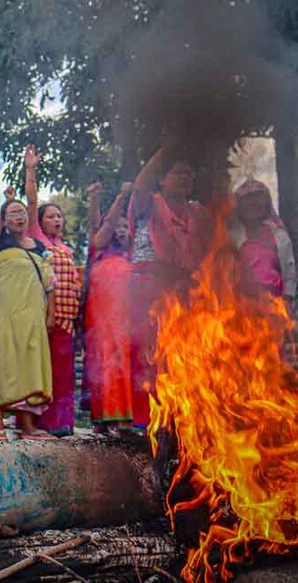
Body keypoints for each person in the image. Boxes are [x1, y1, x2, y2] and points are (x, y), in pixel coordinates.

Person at [127, 143, 210, 428]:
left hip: (184, 289)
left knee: (183, 354)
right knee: (148, 354)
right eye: (178, 172)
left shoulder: (198, 211)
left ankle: (181, 417)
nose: (185, 177)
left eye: (189, 173)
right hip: (148, 286)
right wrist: (167, 146)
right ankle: (146, 421)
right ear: (162, 179)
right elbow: (139, 186)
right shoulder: (149, 202)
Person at [0, 150, 55, 441]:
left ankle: (27, 426)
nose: (19, 215)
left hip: (34, 315)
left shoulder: (38, 246)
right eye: (12, 212)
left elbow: (34, 201)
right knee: (5, 364)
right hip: (7, 314)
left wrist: (30, 170)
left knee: (29, 365)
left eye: (22, 212)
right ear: (3, 220)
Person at [24, 146, 81, 437]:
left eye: (59, 217)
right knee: (49, 372)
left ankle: (64, 422)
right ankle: (47, 422)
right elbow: (32, 203)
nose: (56, 221)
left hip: (69, 321)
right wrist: (31, 170)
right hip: (49, 317)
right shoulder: (38, 241)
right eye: (51, 217)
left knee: (65, 373)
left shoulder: (66, 249)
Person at [85, 181, 135, 432]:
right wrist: (122, 196)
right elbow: (99, 224)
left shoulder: (131, 256)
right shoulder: (99, 248)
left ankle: (126, 416)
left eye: (126, 227)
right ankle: (107, 417)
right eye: (117, 226)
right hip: (103, 318)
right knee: (106, 359)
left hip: (125, 318)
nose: (122, 230)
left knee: (125, 360)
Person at [233, 179, 296, 304]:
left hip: (275, 303)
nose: (253, 204)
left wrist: (287, 298)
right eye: (248, 200)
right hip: (242, 305)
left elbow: (289, 269)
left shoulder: (278, 234)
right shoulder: (232, 236)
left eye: (258, 199)